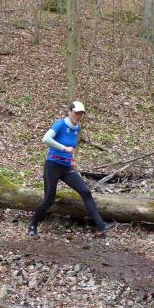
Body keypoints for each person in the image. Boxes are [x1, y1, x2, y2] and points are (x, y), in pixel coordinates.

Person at [28, 101, 117, 236]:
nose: (78, 116)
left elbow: (72, 147)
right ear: (69, 111)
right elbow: (45, 139)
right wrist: (64, 148)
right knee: (49, 199)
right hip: (52, 166)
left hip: (66, 167)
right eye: (76, 113)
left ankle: (100, 226)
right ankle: (33, 225)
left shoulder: (77, 128)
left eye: (80, 114)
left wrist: (71, 159)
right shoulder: (60, 124)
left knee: (85, 192)